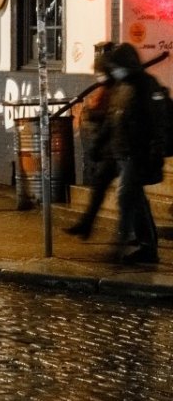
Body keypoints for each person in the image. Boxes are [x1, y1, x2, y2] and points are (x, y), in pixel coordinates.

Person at [95, 43, 160, 264]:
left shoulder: (146, 86)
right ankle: (146, 244)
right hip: (123, 151)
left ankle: (126, 247)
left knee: (126, 197)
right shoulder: (123, 86)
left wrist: (155, 150)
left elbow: (158, 122)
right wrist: (101, 143)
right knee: (135, 199)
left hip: (137, 152)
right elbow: (114, 118)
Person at [64, 42, 118, 240]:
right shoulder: (108, 90)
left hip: (124, 152)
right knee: (100, 188)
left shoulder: (120, 90)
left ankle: (142, 242)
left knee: (131, 196)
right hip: (113, 151)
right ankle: (86, 225)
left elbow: (113, 121)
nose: (98, 75)